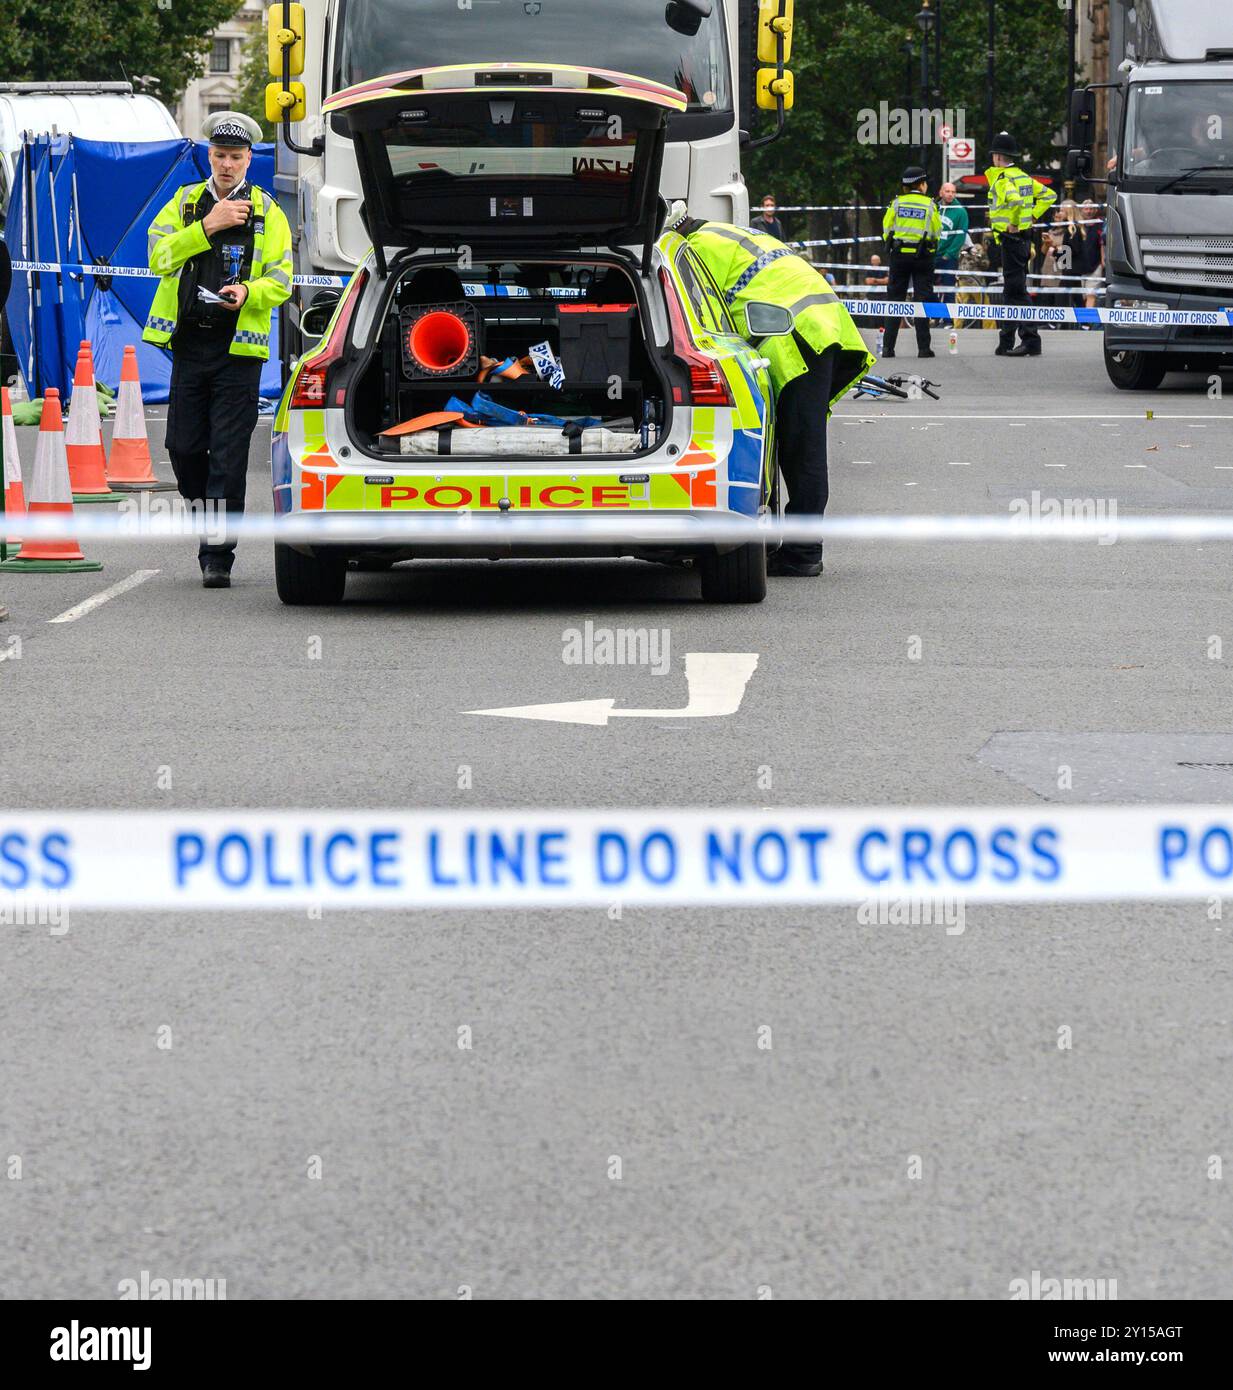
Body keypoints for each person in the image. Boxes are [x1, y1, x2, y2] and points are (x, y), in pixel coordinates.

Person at [665, 200, 874, 577]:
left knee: (801, 447)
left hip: (795, 333)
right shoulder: (722, 232)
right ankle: (799, 544)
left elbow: (705, 327)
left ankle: (804, 552)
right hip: (824, 323)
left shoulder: (691, 252)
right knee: (802, 442)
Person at [143, 112, 293, 588]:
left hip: (239, 352)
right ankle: (206, 509)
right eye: (219, 155)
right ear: (209, 156)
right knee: (183, 447)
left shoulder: (269, 211)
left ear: (250, 158)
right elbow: (156, 258)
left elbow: (283, 279)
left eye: (235, 156)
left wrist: (250, 292)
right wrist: (207, 226)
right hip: (189, 344)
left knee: (228, 456)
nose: (226, 164)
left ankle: (217, 555)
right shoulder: (186, 203)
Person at [985, 130, 1057, 358]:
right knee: (1011, 290)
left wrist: (1013, 224)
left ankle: (1031, 340)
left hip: (1011, 240)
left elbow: (1015, 201)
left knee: (1017, 290)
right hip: (1024, 239)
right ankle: (1006, 341)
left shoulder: (1003, 179)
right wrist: (1033, 217)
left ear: (997, 157)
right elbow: (1050, 195)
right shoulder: (1025, 178)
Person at [880, 166, 942, 359]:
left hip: (899, 256)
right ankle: (924, 349)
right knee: (922, 301)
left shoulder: (896, 203)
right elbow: (936, 232)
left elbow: (886, 228)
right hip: (922, 257)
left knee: (895, 300)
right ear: (921, 184)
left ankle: (888, 348)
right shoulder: (930, 205)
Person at [934, 181, 967, 324]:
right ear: (941, 192)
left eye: (953, 192)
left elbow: (961, 235)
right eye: (947, 191)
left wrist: (950, 253)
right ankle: (936, 315)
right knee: (925, 287)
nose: (950, 194)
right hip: (932, 254)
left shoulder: (960, 211)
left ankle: (948, 321)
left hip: (949, 256)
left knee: (949, 289)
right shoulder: (934, 208)